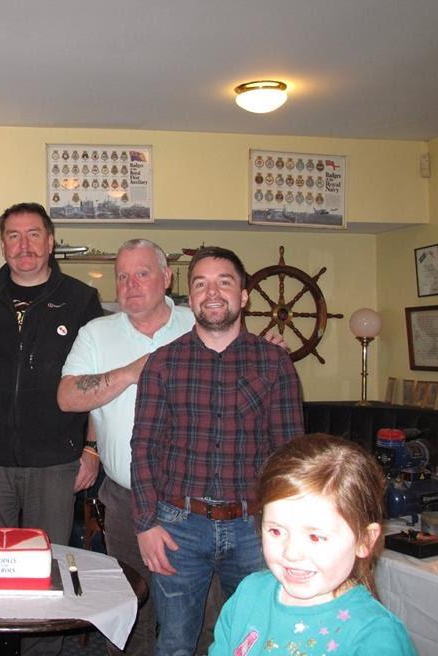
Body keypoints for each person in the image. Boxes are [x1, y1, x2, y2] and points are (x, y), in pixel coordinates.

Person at [131, 245, 304, 656]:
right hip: (178, 528)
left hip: (254, 529)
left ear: (244, 296)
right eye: (200, 284)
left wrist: (288, 527)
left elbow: (290, 455)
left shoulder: (275, 364)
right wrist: (145, 524)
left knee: (258, 641)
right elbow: (144, 447)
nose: (211, 293)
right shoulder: (163, 364)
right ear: (189, 297)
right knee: (174, 642)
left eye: (224, 283)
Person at [58, 238, 194, 655]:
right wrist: (133, 372)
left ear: (167, 278)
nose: (130, 284)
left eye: (142, 273)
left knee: (197, 612)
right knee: (132, 607)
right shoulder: (97, 333)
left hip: (194, 500)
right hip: (125, 498)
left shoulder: (198, 323)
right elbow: (67, 397)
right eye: (122, 276)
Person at [0, 202, 103, 546]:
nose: (24, 245)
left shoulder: (81, 299)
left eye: (34, 235)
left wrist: (92, 449)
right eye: (14, 236)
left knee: (47, 561)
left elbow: (97, 381)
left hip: (55, 464)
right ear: (3, 245)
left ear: (50, 242)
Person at [209, 434, 417, 656]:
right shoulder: (249, 593)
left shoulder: (375, 638)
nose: (291, 553)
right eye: (276, 531)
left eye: (315, 537)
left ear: (364, 540)